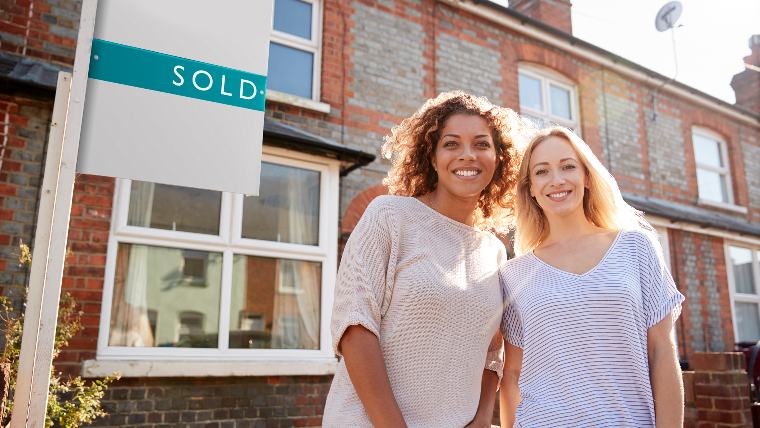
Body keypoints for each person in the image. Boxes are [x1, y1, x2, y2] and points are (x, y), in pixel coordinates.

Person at [322, 91, 528, 427]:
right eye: (451, 144)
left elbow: (492, 355)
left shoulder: (493, 250)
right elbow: (354, 326)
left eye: (481, 144)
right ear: (431, 157)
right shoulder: (390, 216)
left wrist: (478, 420)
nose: (467, 155)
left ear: (498, 158)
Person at [499, 127, 685, 427]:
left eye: (568, 166)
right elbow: (513, 375)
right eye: (542, 171)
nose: (556, 179)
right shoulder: (514, 274)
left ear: (586, 177)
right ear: (530, 188)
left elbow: (661, 351)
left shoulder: (636, 246)